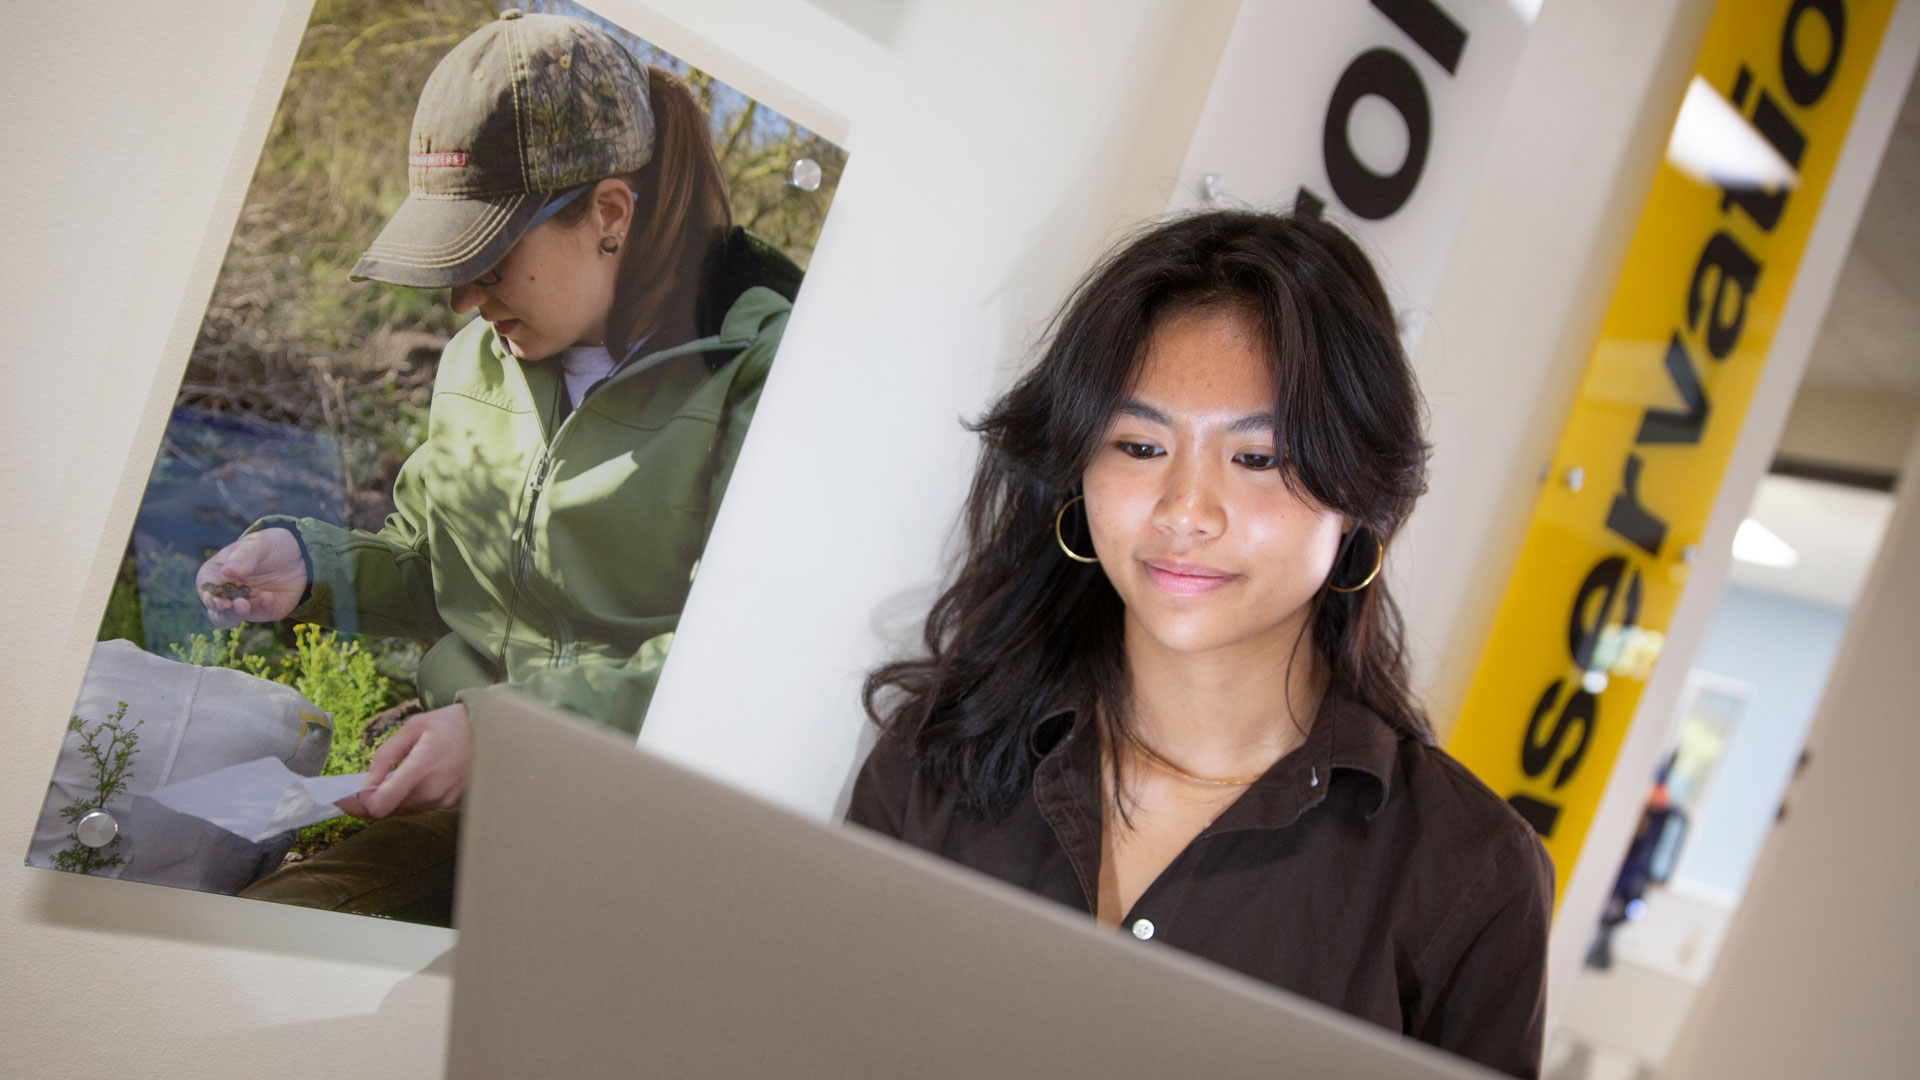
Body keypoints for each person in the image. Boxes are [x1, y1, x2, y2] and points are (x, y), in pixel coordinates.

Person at [848, 210, 1553, 1077]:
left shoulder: (1465, 874)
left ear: (1360, 496)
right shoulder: (939, 755)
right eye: (1140, 445)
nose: (1185, 510)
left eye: (1255, 458)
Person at [194, 10, 799, 925]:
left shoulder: (765, 372)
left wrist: (506, 735)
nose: (464, 300)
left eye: (486, 258)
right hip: (470, 796)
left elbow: (744, 661)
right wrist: (313, 563)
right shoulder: (476, 361)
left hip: (642, 825)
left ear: (609, 214)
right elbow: (435, 564)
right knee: (267, 932)